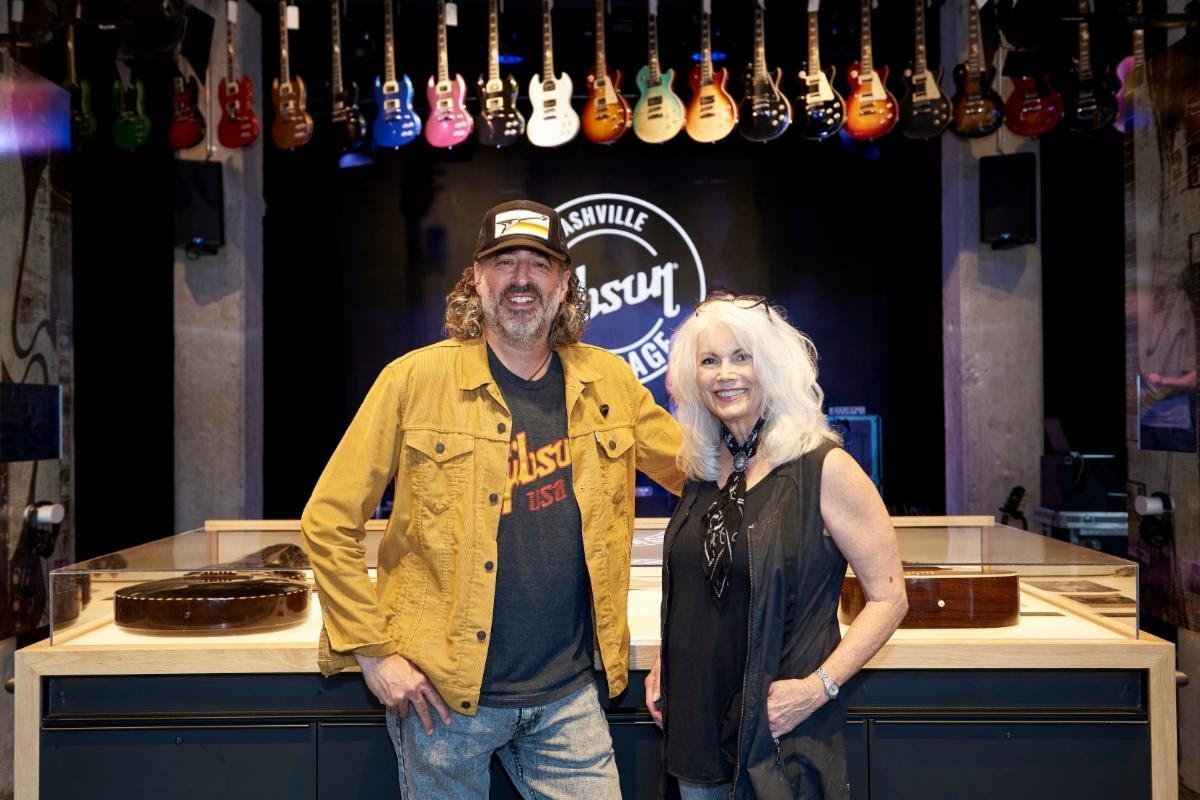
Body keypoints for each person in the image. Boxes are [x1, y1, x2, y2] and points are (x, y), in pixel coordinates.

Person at [301, 199, 684, 799]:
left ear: (563, 285)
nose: (522, 278)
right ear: (477, 280)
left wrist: (792, 450)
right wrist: (372, 653)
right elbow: (328, 522)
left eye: (539, 263)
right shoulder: (411, 380)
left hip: (569, 694)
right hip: (442, 697)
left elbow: (699, 474)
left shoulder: (609, 381)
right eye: (505, 263)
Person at [645, 296, 907, 800]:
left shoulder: (823, 467)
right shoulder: (700, 468)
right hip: (694, 736)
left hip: (779, 743)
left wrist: (817, 689)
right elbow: (699, 591)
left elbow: (890, 598)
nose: (726, 374)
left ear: (771, 366)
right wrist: (664, 663)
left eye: (742, 357)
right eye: (709, 361)